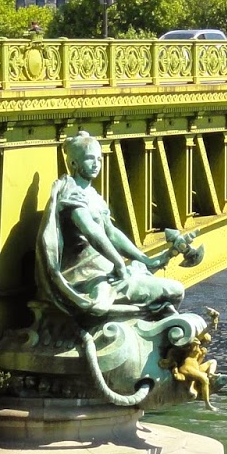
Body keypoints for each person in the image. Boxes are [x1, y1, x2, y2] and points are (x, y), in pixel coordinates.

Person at [36, 132, 188, 318]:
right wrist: (119, 263)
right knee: (173, 291)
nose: (96, 164)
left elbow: (111, 232)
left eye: (99, 159)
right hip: (85, 276)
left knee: (170, 295)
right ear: (74, 163)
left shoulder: (94, 195)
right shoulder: (71, 193)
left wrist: (143, 259)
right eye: (89, 159)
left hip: (105, 269)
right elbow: (90, 231)